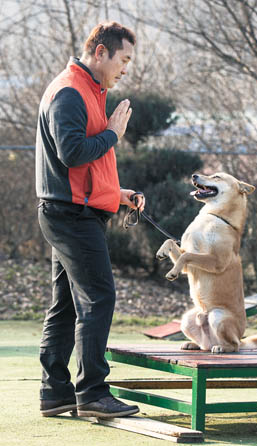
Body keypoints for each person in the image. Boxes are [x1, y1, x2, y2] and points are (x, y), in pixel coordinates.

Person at [35, 21, 145, 419]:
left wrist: (118, 195)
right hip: (71, 217)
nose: (126, 69)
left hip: (72, 209)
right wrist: (114, 134)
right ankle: (93, 393)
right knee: (99, 298)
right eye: (124, 59)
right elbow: (72, 153)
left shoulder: (87, 90)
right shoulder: (69, 92)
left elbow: (82, 171)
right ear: (101, 52)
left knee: (65, 305)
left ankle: (55, 393)